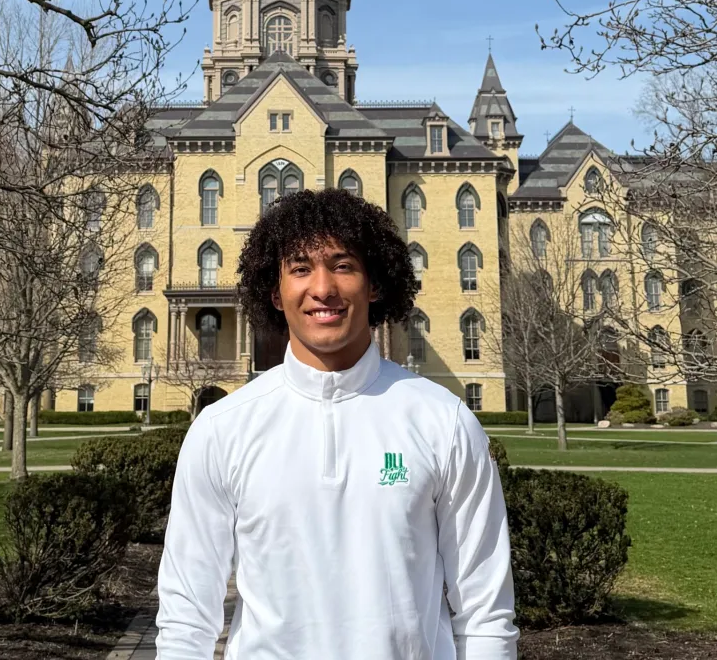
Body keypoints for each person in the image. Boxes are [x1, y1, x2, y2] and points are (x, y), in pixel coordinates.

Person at [156, 188, 518, 659]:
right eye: (301, 268)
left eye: (343, 265)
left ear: (374, 284)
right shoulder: (221, 429)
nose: (322, 287)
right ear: (274, 289)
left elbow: (485, 609)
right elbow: (187, 613)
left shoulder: (442, 422)